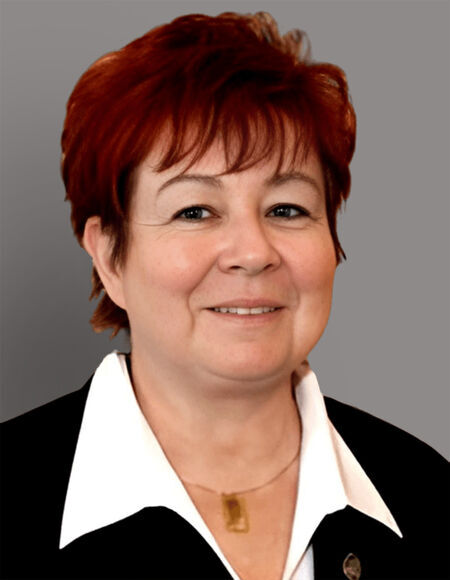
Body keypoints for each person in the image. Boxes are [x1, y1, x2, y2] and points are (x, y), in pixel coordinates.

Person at [0, 11, 448, 580]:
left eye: (287, 208)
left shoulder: (428, 495)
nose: (253, 252)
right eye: (195, 211)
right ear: (110, 256)